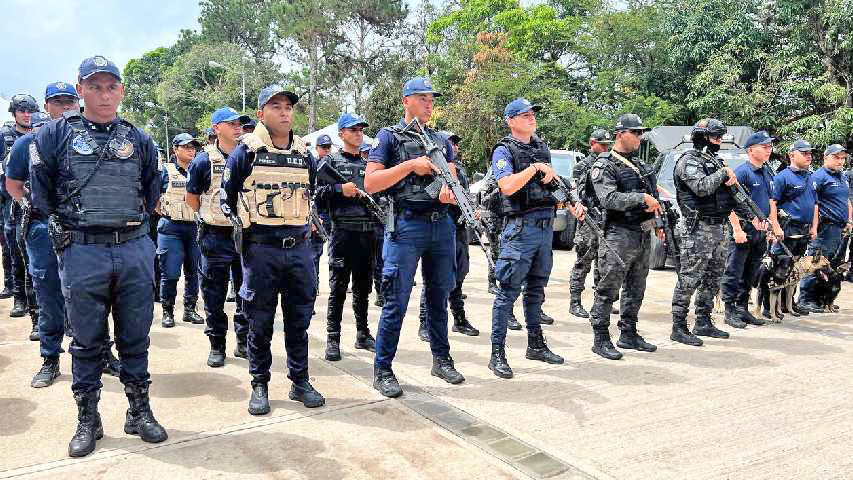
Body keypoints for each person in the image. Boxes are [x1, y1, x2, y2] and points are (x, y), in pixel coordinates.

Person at [31, 56, 167, 458]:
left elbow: (151, 190)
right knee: (87, 340)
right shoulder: (53, 135)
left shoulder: (138, 138)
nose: (104, 95)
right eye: (95, 87)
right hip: (83, 250)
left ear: (121, 90)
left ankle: (138, 411)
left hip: (133, 247)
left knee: (135, 336)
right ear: (80, 89)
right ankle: (88, 418)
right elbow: (41, 193)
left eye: (111, 87)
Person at [222, 85, 325, 414]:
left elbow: (314, 192)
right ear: (261, 113)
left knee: (299, 321)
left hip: (299, 250)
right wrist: (244, 229)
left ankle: (300, 381)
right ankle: (260, 383)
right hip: (262, 250)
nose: (284, 112)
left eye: (289, 107)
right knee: (260, 321)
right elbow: (227, 195)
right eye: (276, 106)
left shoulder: (305, 152)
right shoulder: (247, 151)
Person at [365, 77, 464, 397]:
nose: (429, 102)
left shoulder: (442, 140)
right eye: (422, 98)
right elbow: (371, 183)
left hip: (441, 225)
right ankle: (383, 368)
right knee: (396, 300)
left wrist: (452, 193)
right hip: (406, 226)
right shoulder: (388, 137)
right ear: (406, 100)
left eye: (431, 98)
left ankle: (441, 359)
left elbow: (451, 178)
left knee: (439, 296)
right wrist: (410, 165)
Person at [486, 98, 565, 379]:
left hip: (544, 227)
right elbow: (506, 186)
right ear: (510, 120)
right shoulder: (504, 150)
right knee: (507, 291)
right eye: (524, 114)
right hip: (520, 229)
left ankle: (536, 344)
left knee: (536, 290)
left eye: (533, 113)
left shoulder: (541, 147)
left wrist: (557, 184)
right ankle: (497, 354)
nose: (531, 117)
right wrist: (534, 169)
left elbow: (550, 184)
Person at [669, 119, 756, 346]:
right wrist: (724, 173)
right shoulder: (688, 161)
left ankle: (703, 321)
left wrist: (754, 217)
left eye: (720, 137)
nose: (719, 141)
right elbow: (702, 187)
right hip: (697, 228)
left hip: (719, 228)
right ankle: (678, 326)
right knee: (689, 279)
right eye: (715, 136)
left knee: (713, 278)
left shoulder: (716, 161)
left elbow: (733, 197)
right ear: (702, 136)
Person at [585, 114, 662, 360]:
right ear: (621, 134)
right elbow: (608, 199)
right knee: (608, 288)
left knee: (636, 287)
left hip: (641, 232)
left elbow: (653, 199)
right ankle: (600, 338)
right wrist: (641, 199)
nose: (640, 137)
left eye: (641, 133)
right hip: (617, 234)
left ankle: (628, 333)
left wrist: (658, 222)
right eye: (635, 133)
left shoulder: (639, 165)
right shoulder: (604, 164)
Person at [186, 107, 250, 367]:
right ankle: (217, 344)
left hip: (245, 235)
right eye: (231, 123)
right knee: (214, 294)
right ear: (216, 129)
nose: (238, 128)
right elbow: (192, 199)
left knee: (247, 293)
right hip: (216, 236)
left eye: (240, 124)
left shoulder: (249, 156)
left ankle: (243, 341)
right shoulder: (204, 160)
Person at [315, 113, 379, 361]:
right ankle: (333, 338)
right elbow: (317, 195)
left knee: (364, 287)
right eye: (352, 129)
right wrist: (339, 189)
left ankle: (362, 334)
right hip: (343, 233)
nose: (358, 133)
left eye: (361, 129)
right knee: (338, 288)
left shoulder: (369, 165)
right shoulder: (330, 162)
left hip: (367, 234)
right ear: (341, 134)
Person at [418, 131, 479, 341]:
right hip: (442, 225)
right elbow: (429, 194)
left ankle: (459, 318)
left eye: (456, 144)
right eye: (451, 143)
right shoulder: (432, 169)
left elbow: (465, 193)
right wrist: (448, 197)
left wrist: (472, 208)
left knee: (458, 275)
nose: (455, 146)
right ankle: (424, 322)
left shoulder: (459, 169)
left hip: (460, 228)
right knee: (434, 278)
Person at [721, 131, 775, 324]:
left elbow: (770, 202)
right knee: (734, 271)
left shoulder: (767, 171)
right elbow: (729, 204)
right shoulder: (742, 172)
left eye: (770, 146)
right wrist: (736, 229)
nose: (769, 150)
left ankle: (742, 308)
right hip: (743, 229)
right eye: (765, 147)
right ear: (751, 150)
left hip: (760, 230)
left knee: (751, 273)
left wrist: (771, 226)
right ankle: (729, 310)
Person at [156, 133, 204, 328]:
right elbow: (154, 199)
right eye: (186, 147)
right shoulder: (165, 171)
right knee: (171, 272)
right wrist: (165, 213)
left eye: (193, 147)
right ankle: (168, 311)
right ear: (175, 150)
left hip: (194, 227)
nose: (191, 150)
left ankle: (190, 310)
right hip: (171, 228)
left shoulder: (199, 170)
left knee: (194, 271)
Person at [798, 143, 851, 312]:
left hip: (839, 228)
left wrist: (849, 221)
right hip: (824, 228)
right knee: (815, 262)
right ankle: (805, 299)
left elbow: (846, 201)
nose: (840, 161)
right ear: (826, 157)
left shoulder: (842, 177)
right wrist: (814, 226)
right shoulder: (818, 177)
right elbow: (811, 203)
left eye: (843, 158)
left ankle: (822, 299)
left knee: (829, 267)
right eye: (836, 157)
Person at [767, 140, 817, 317]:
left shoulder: (811, 177)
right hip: (787, 230)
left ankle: (789, 304)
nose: (809, 156)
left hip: (803, 231)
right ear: (792, 155)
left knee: (795, 269)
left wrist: (814, 227)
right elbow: (772, 203)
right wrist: (775, 226)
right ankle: (769, 307)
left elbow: (815, 204)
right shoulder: (782, 177)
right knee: (778, 269)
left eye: (810, 153)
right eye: (804, 153)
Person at [1, 94, 37, 318]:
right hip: (10, 200)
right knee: (14, 251)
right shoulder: (4, 135)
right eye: (22, 110)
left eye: (29, 110)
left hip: (35, 199)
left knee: (35, 254)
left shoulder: (43, 134)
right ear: (14, 113)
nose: (27, 114)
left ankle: (37, 303)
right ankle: (19, 298)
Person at [570, 129, 612, 318]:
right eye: (601, 144)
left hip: (606, 219)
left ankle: (599, 301)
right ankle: (575, 301)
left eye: (607, 145)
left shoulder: (609, 163)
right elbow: (581, 193)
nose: (605, 148)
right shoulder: (582, 166)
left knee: (602, 263)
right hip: (589, 220)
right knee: (583, 262)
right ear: (591, 143)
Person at [309, 134, 333, 295]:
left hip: (333, 213)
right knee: (315, 253)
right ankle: (314, 286)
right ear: (317, 148)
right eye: (323, 147)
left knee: (335, 254)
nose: (326, 150)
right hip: (318, 214)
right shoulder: (313, 165)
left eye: (328, 147)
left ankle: (335, 284)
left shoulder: (334, 164)